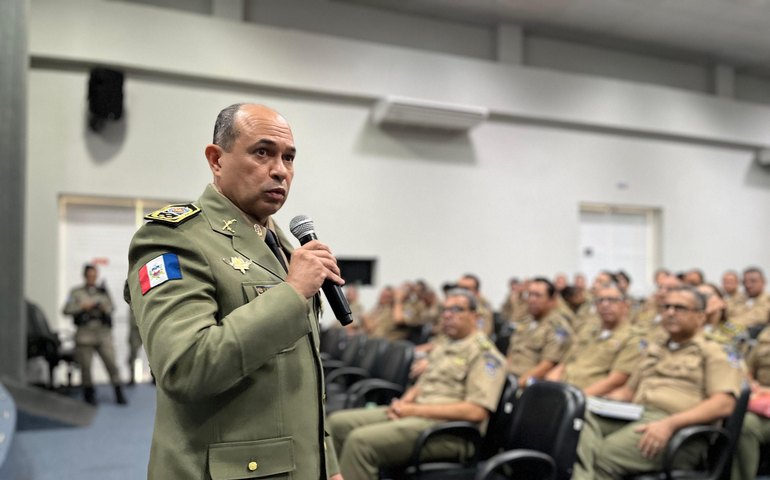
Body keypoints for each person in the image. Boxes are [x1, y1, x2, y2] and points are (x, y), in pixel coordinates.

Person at [127, 103, 342, 480]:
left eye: (289, 158)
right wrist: (292, 292)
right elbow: (185, 366)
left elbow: (304, 377)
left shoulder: (285, 247)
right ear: (216, 159)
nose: (280, 170)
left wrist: (328, 464)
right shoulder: (174, 239)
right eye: (263, 152)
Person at [327, 289, 506, 479]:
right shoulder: (445, 345)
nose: (447, 315)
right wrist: (403, 403)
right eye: (444, 310)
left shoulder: (486, 355)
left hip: (449, 432)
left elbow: (476, 411)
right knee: (336, 424)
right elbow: (423, 383)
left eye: (456, 309)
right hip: (418, 413)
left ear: (475, 316)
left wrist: (412, 410)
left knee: (360, 442)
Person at [573, 287, 744, 479]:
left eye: (680, 308)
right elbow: (628, 392)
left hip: (678, 429)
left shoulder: (715, 351)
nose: (670, 312)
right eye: (666, 307)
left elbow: (724, 404)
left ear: (700, 317)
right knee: (576, 420)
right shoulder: (655, 348)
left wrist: (669, 424)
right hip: (635, 415)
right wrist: (602, 403)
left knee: (603, 456)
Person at [546, 283, 641, 397]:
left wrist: (575, 398)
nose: (605, 305)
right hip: (563, 390)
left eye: (612, 300)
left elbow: (615, 381)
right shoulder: (589, 332)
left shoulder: (632, 338)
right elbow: (564, 364)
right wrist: (550, 386)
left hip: (586, 396)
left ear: (625, 305)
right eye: (600, 300)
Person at [62, 264, 127, 405]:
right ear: (84, 276)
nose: (92, 278)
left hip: (102, 333)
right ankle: (89, 394)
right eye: (89, 276)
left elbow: (111, 307)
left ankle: (118, 391)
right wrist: (82, 306)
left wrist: (103, 308)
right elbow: (66, 309)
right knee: (85, 366)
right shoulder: (75, 292)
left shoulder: (103, 292)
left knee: (111, 363)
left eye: (94, 276)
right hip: (85, 333)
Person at [505, 277, 573, 386]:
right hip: (509, 376)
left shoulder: (557, 327)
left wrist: (519, 383)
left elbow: (548, 364)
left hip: (529, 381)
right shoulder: (526, 321)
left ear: (551, 301)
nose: (532, 299)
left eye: (538, 295)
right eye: (530, 295)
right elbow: (512, 353)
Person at [123, 279, 143, 385]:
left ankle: (156, 376)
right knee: (133, 352)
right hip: (135, 323)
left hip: (149, 321)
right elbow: (127, 296)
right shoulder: (132, 277)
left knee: (155, 351)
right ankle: (131, 376)